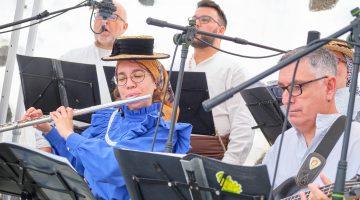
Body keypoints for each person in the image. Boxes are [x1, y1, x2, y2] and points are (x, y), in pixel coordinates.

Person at [23, 36, 192, 200]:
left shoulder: (161, 131)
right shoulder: (110, 119)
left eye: (138, 75)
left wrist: (69, 134)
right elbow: (80, 163)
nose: (129, 84)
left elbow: (113, 168)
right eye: (122, 78)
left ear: (156, 82)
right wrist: (49, 130)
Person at [262, 47, 360, 199]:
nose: (286, 100)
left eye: (296, 87)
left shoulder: (356, 139)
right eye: (283, 89)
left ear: (329, 87)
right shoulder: (283, 141)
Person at [185, 0, 255, 165]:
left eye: (205, 20)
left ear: (221, 30)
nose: (196, 23)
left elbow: (243, 126)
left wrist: (227, 167)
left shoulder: (234, 69)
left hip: (215, 157)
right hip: (177, 153)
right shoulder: (179, 64)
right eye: (194, 19)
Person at [60, 0, 128, 103]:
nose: (105, 21)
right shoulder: (70, 58)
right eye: (100, 15)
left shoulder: (133, 63)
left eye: (113, 17)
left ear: (124, 27)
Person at [324, 40, 360, 121]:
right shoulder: (301, 107)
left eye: (335, 61)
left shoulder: (357, 107)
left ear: (349, 70)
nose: (327, 66)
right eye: (324, 61)